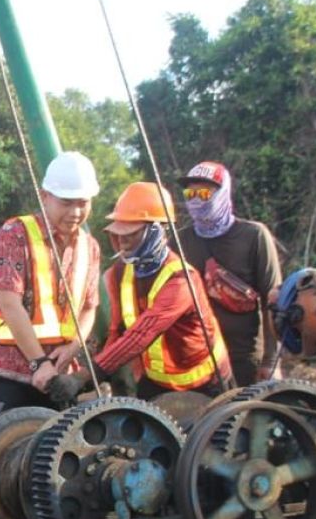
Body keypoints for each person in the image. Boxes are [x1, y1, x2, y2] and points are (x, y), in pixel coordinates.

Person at [48, 182, 233, 405]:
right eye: (118, 234)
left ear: (155, 231)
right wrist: (85, 380)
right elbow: (117, 333)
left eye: (130, 234)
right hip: (156, 382)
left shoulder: (181, 279)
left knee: (210, 438)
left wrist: (84, 376)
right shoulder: (117, 274)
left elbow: (141, 334)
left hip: (206, 382)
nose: (121, 241)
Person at [0, 151, 103, 420]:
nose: (75, 213)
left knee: (57, 455)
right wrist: (39, 362)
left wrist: (72, 348)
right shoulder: (15, 234)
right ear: (45, 196)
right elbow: (9, 302)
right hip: (11, 372)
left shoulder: (89, 247)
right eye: (66, 203)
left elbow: (89, 308)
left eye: (82, 203)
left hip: (59, 376)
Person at [176, 161, 283, 386]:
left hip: (245, 359)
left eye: (204, 193)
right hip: (199, 362)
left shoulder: (254, 236)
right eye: (190, 193)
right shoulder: (179, 241)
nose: (196, 200)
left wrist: (271, 362)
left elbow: (273, 301)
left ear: (223, 193)